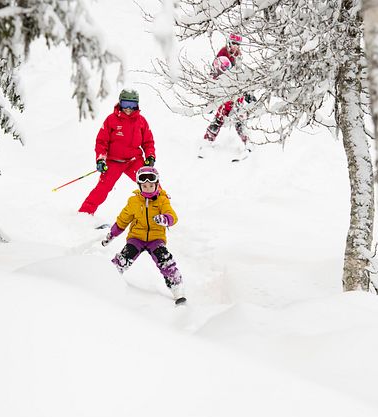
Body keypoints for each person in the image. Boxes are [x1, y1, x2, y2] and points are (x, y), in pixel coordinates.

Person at [101, 166, 186, 304]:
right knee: (124, 257)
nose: (148, 188)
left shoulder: (162, 200)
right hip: (136, 238)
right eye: (144, 186)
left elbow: (172, 216)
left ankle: (177, 288)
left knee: (165, 260)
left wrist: (165, 219)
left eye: (151, 185)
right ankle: (108, 278)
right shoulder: (133, 201)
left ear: (157, 184)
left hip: (156, 240)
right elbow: (123, 220)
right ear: (139, 186)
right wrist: (111, 235)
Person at [78, 88, 156, 215]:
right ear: (120, 103)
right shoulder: (111, 120)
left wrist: (150, 156)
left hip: (134, 161)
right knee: (103, 188)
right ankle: (85, 213)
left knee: (150, 181)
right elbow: (101, 142)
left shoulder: (141, 121)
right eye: (125, 104)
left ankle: (162, 211)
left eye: (132, 105)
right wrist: (101, 160)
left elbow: (148, 142)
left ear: (137, 105)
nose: (128, 108)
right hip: (114, 161)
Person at [200, 34, 252, 153]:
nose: (236, 47)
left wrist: (247, 91)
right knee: (220, 117)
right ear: (229, 43)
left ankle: (247, 142)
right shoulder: (223, 54)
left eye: (238, 45)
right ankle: (207, 141)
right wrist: (211, 99)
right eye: (234, 44)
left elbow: (240, 75)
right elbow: (214, 73)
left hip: (236, 94)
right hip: (224, 94)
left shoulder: (238, 55)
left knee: (239, 118)